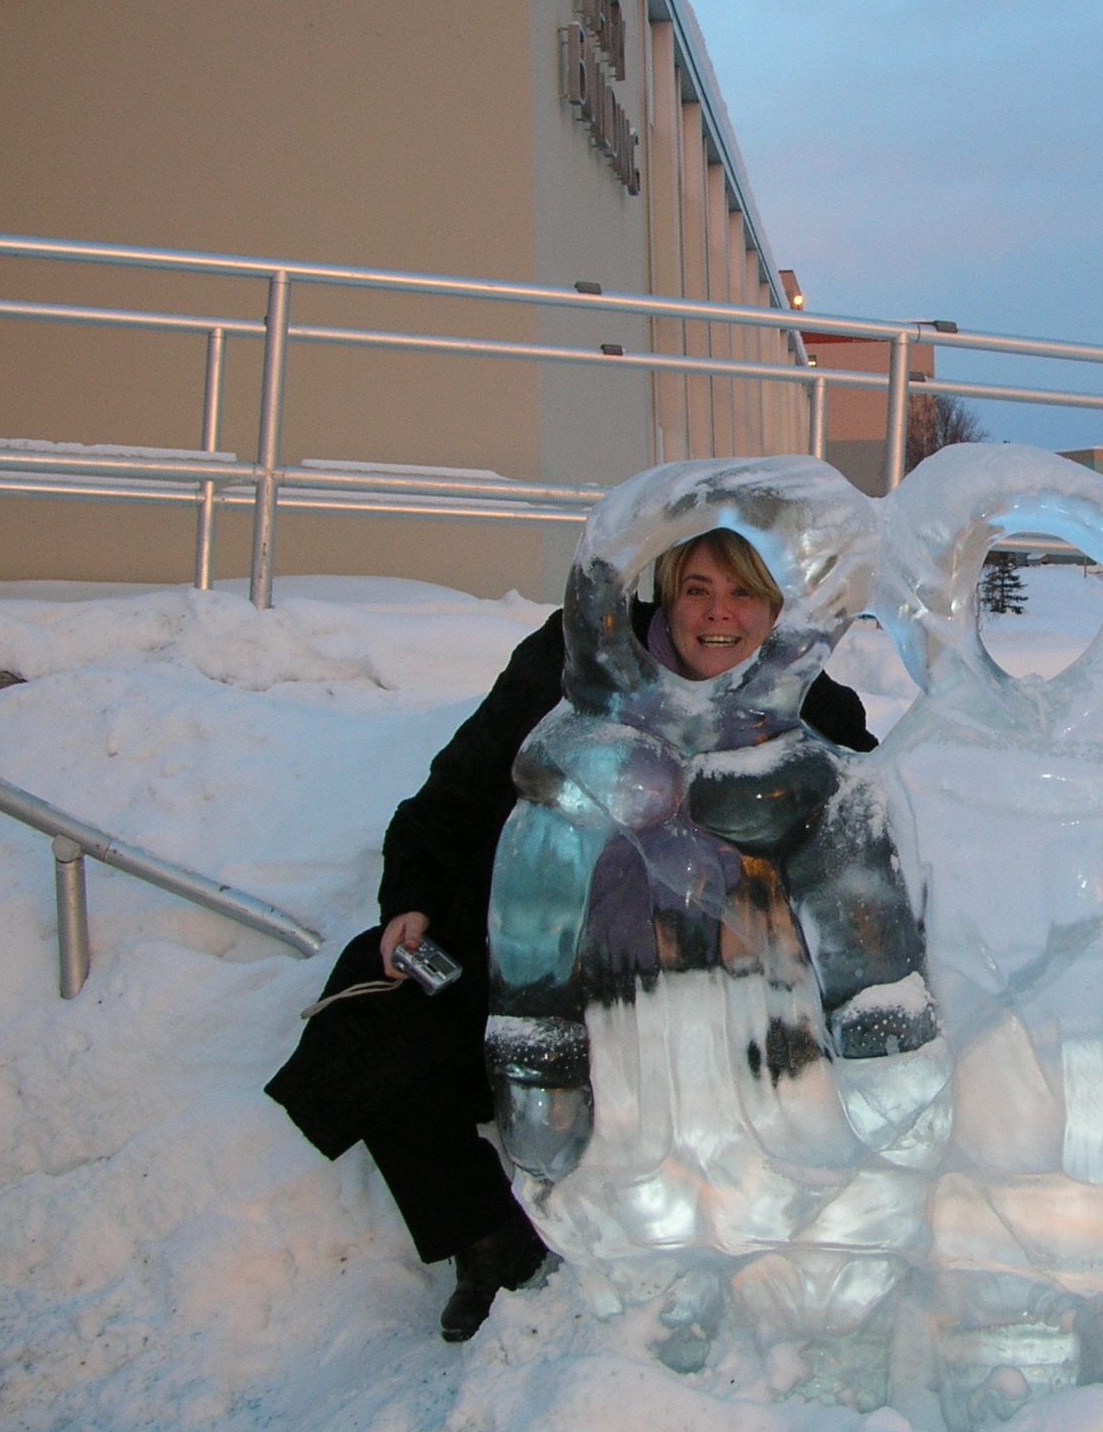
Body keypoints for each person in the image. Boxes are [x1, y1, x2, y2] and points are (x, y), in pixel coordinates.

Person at [265, 527, 875, 1342]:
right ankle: (487, 1238)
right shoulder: (576, 659)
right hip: (534, 947)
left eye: (744, 594)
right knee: (370, 1022)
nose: (718, 614)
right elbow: (458, 785)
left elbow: (871, 839)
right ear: (665, 593)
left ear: (775, 611)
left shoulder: (811, 707)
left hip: (688, 988)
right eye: (697, 589)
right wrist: (413, 896)